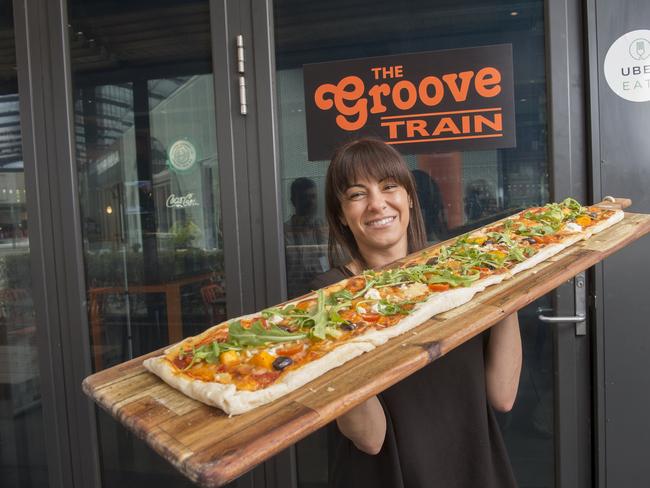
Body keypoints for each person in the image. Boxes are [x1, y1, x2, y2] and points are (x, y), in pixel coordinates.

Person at [310, 138, 522, 488]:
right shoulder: (330, 298)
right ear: (341, 215)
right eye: (357, 194)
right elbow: (370, 436)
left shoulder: (458, 271)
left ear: (409, 197)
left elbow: (503, 395)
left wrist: (506, 281)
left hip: (472, 468)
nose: (378, 204)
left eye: (389, 186)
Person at [284, 177, 328, 297]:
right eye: (304, 197)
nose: (310, 202)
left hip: (323, 294)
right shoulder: (284, 232)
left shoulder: (323, 228)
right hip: (293, 297)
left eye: (313, 197)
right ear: (294, 201)